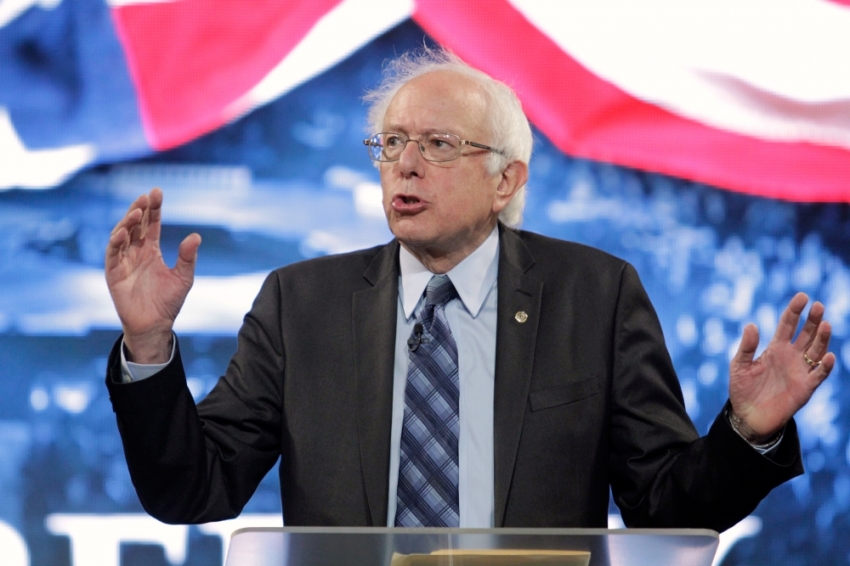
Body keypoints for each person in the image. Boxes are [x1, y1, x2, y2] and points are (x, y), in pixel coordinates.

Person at [104, 49, 833, 530]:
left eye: (438, 144)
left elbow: (667, 508)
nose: (405, 164)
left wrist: (748, 433)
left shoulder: (595, 295)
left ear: (506, 180)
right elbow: (193, 490)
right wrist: (147, 344)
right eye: (391, 143)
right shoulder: (303, 305)